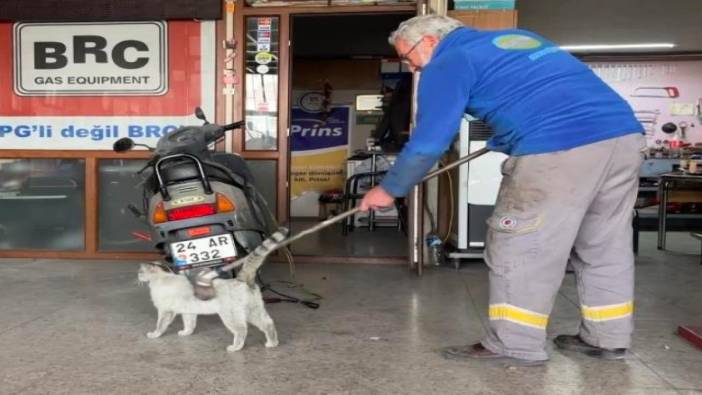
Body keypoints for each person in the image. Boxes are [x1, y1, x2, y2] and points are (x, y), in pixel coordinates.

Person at [359, 15, 645, 366]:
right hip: (623, 139)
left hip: (558, 147)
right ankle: (607, 338)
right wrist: (508, 135)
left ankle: (515, 343)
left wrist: (390, 189)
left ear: (430, 41)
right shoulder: (516, 39)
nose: (411, 66)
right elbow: (538, 93)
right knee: (604, 244)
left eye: (408, 56)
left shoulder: (448, 61)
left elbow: (429, 142)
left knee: (521, 245)